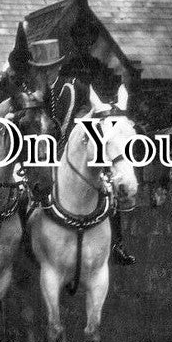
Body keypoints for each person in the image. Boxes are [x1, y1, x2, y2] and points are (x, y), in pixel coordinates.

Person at [26, 37, 135, 266]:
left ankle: (116, 245)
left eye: (48, 69)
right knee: (21, 187)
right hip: (44, 153)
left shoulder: (75, 86)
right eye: (40, 71)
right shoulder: (37, 95)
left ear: (57, 67)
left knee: (107, 186)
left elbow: (91, 111)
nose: (44, 75)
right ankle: (27, 241)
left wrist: (79, 124)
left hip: (78, 148)